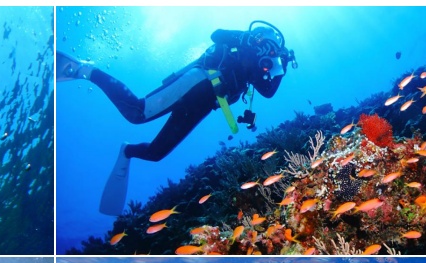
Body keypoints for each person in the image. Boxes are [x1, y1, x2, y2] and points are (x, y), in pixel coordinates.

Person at [57, 21, 296, 215]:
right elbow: (216, 34)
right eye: (267, 44)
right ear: (259, 36)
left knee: (155, 154)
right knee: (137, 113)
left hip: (203, 105)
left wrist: (280, 67)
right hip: (197, 81)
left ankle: (127, 151)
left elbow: (267, 93)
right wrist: (245, 38)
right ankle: (85, 70)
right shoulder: (244, 42)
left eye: (274, 50)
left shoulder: (266, 66)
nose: (268, 51)